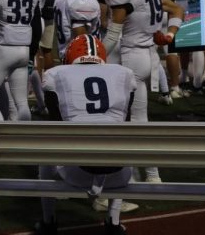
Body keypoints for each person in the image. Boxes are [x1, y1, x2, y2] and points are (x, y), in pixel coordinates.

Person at [35, 35, 136, 235]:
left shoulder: (56, 74)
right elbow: (126, 122)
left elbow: (57, 127)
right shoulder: (124, 74)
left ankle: (49, 222)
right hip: (119, 174)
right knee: (121, 142)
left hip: (77, 172)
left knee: (46, 153)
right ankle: (114, 223)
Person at [104, 0, 183, 184]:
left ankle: (129, 177)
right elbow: (178, 9)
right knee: (139, 120)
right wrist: (169, 36)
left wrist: (91, 58)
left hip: (130, 57)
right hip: (149, 55)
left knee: (123, 122)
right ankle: (152, 175)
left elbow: (112, 36)